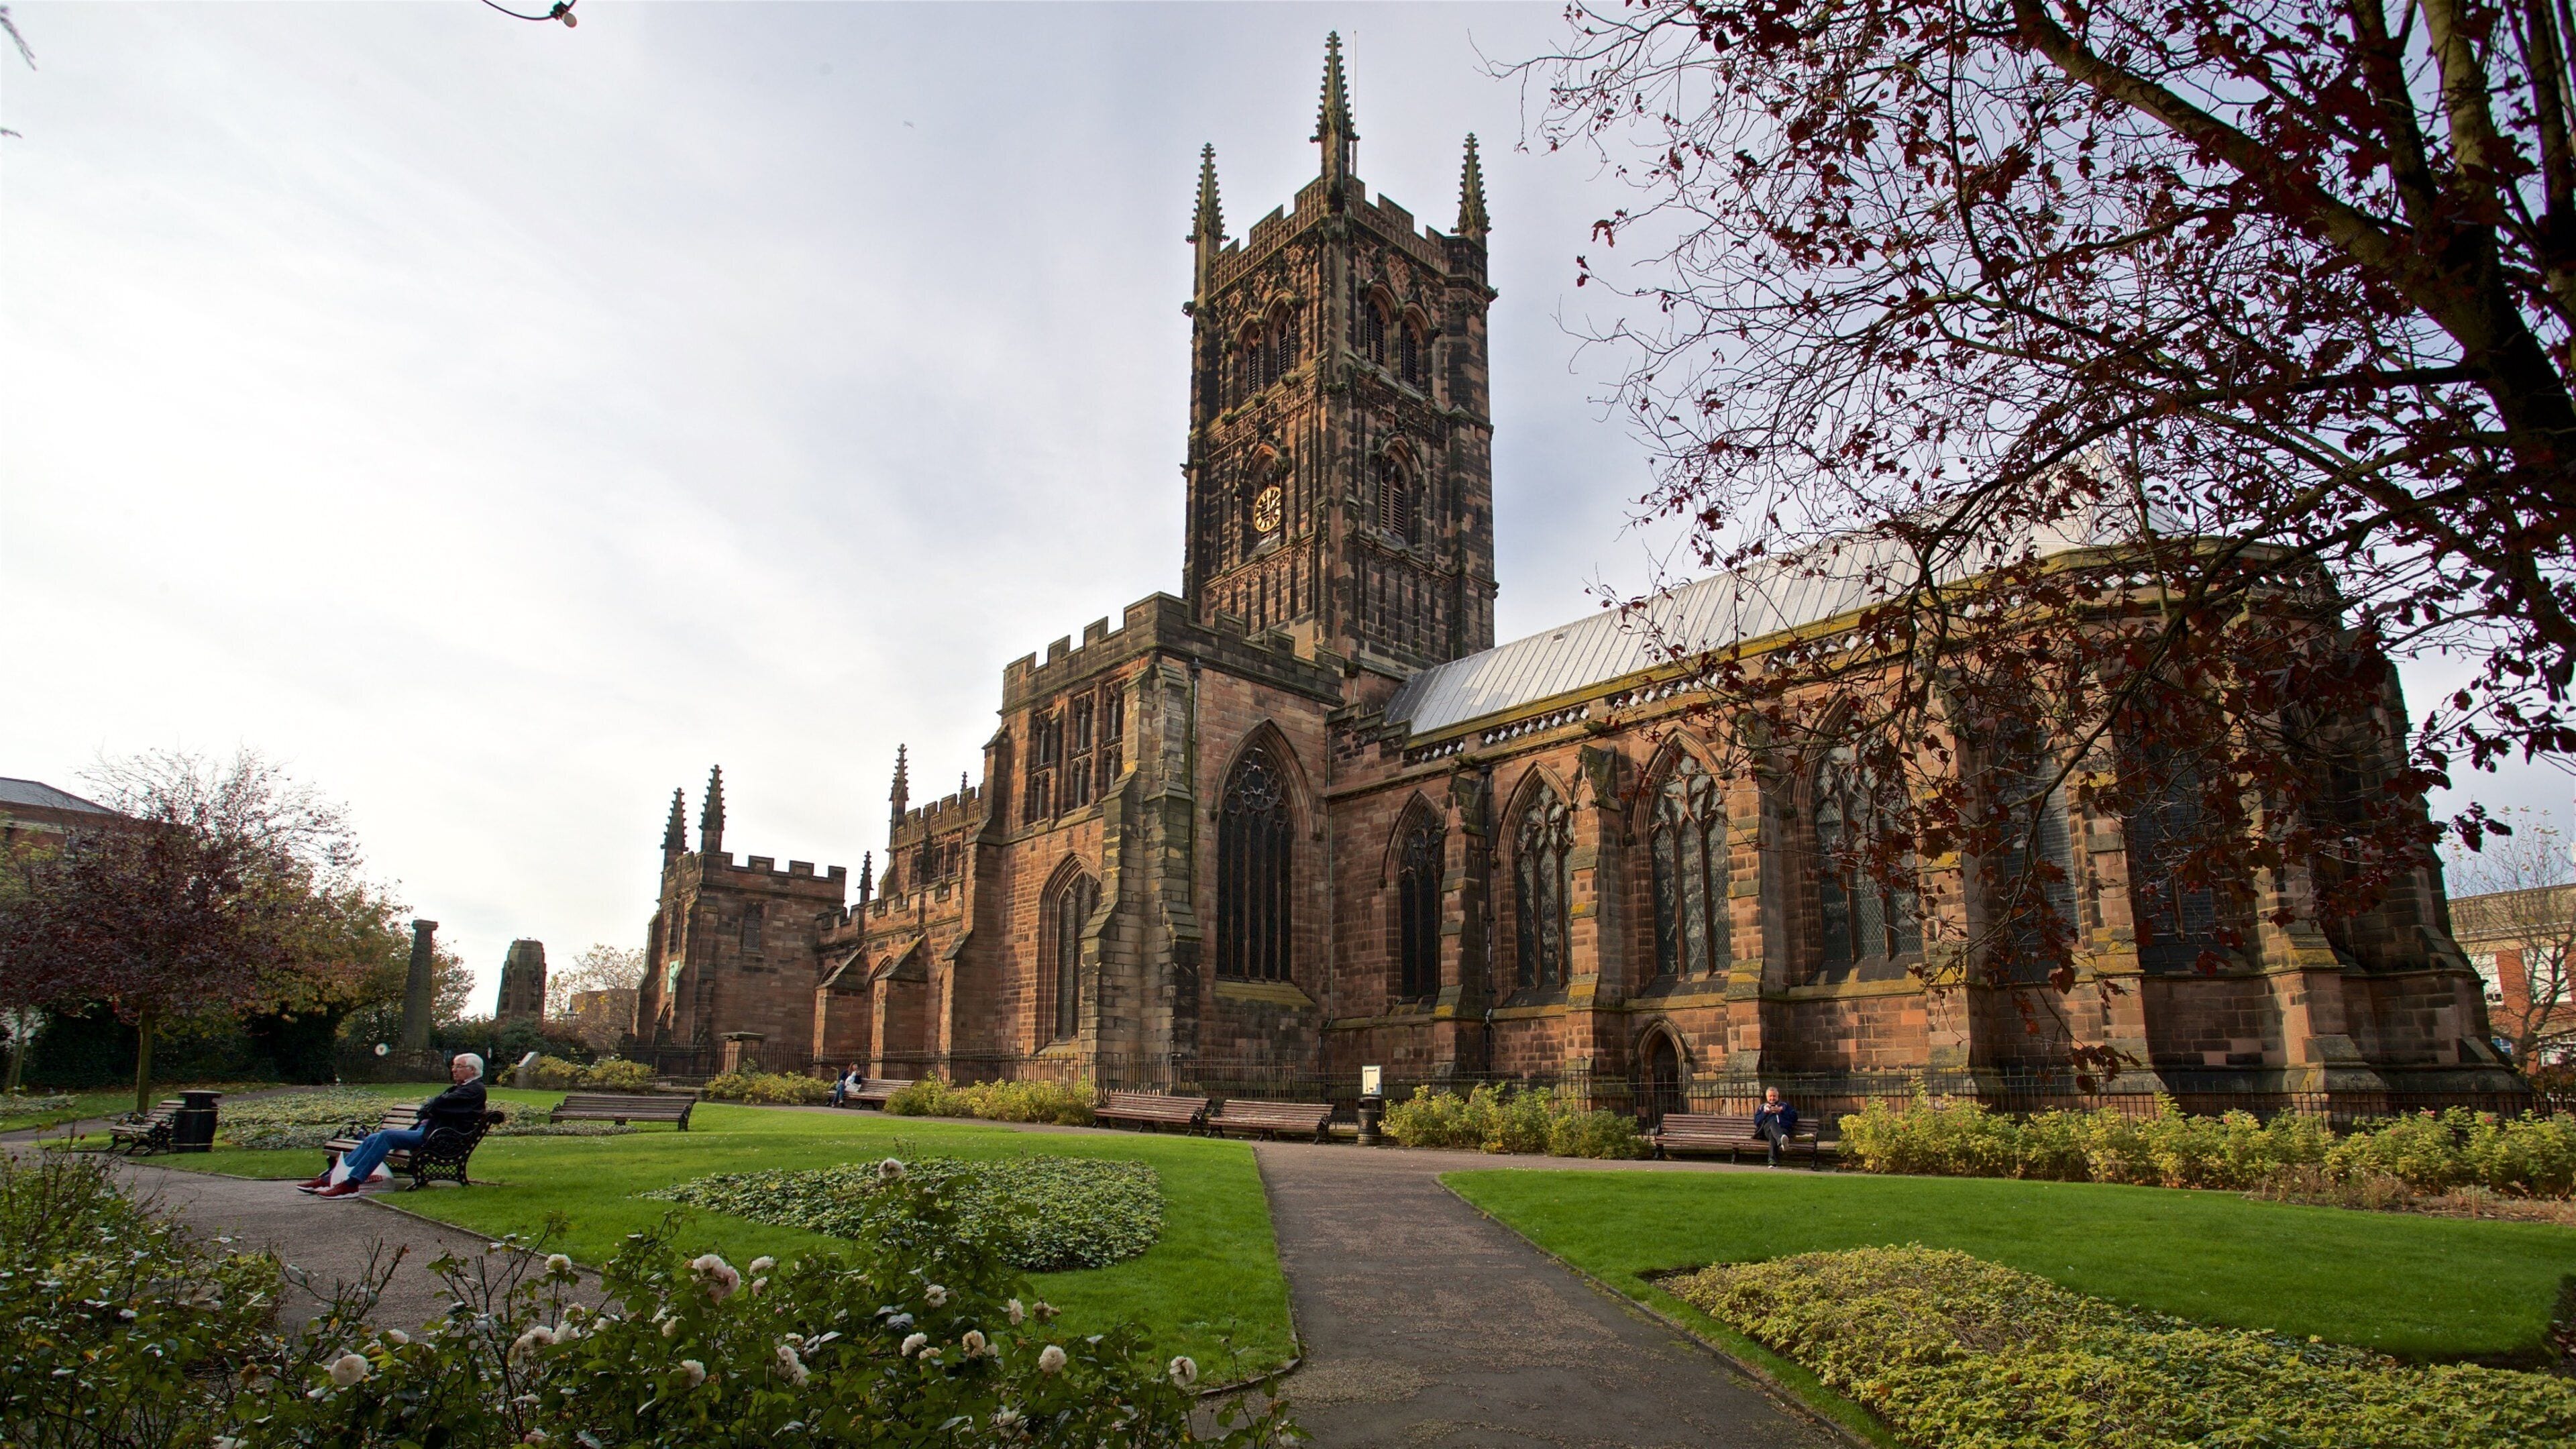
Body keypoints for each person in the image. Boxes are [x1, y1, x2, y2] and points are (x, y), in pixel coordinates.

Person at [300, 1053, 488, 1199]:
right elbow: (432, 1106)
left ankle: (352, 1183)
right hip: (430, 1132)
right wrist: (432, 1106)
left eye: (458, 1066)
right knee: (374, 1138)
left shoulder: (474, 1090)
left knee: (386, 1136)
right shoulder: (463, 1088)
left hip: (438, 1138)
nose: (454, 1070)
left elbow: (437, 1105)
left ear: (472, 1070)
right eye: (453, 1066)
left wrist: (433, 1105)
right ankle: (329, 1178)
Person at [1753, 1087, 1799, 1168]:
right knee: (1772, 1123)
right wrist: (1765, 1113)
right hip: (1765, 1131)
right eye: (1770, 1096)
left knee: (1773, 1135)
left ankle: (1772, 1162)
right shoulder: (1762, 1107)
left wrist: (1782, 1111)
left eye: (1774, 1096)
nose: (1772, 1098)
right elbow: (1757, 1122)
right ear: (1767, 1097)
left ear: (1778, 1096)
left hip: (1783, 1130)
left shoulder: (1785, 1106)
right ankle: (1781, 1141)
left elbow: (1795, 1117)